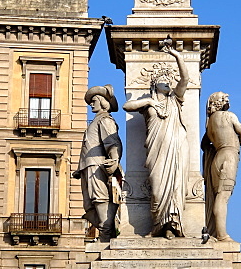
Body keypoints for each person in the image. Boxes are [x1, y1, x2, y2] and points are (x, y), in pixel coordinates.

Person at [123, 44, 189, 237]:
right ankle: (158, 225)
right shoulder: (148, 104)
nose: (168, 81)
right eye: (163, 79)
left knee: (175, 189)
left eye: (169, 79)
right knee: (158, 191)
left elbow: (185, 78)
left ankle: (171, 226)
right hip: (157, 152)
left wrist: (177, 55)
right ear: (154, 84)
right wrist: (150, 101)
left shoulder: (175, 99)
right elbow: (128, 106)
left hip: (177, 149)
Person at [72, 85, 123, 242]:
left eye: (94, 100)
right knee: (89, 205)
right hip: (87, 167)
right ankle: (105, 228)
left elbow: (112, 141)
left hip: (97, 165)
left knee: (100, 198)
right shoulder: (96, 120)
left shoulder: (105, 120)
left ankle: (106, 233)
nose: (91, 104)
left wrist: (114, 160)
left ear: (102, 102)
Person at [201, 92, 241, 241]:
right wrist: (234, 141)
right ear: (219, 102)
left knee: (217, 196)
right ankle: (222, 235)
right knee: (223, 196)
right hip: (229, 155)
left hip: (216, 158)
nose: (227, 101)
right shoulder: (229, 116)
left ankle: (216, 231)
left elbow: (204, 145)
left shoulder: (209, 124)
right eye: (225, 98)